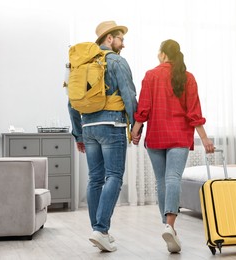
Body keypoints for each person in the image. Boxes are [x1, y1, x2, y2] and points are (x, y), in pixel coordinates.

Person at [131, 39, 214, 253]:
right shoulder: (188, 77)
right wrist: (204, 139)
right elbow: (194, 112)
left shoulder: (151, 75)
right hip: (179, 136)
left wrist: (135, 130)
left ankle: (167, 226)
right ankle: (170, 226)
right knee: (173, 179)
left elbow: (144, 108)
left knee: (162, 181)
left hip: (156, 137)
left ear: (161, 54)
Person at [67, 20, 137, 252]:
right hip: (112, 124)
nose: (123, 44)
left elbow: (71, 103)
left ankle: (98, 230)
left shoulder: (82, 64)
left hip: (88, 127)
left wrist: (78, 133)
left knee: (95, 178)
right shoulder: (116, 61)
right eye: (120, 39)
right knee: (114, 176)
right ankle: (101, 230)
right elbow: (128, 94)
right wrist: (136, 125)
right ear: (109, 39)